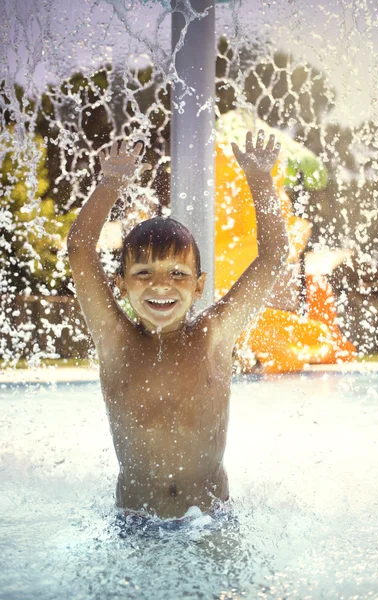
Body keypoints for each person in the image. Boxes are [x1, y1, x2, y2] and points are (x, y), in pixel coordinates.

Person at [67, 131, 288, 520]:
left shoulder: (213, 337)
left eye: (177, 273)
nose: (161, 285)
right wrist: (110, 184)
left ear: (199, 284)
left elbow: (272, 258)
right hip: (135, 522)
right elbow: (80, 247)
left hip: (209, 521)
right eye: (144, 272)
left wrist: (260, 180)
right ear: (120, 284)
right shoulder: (115, 339)